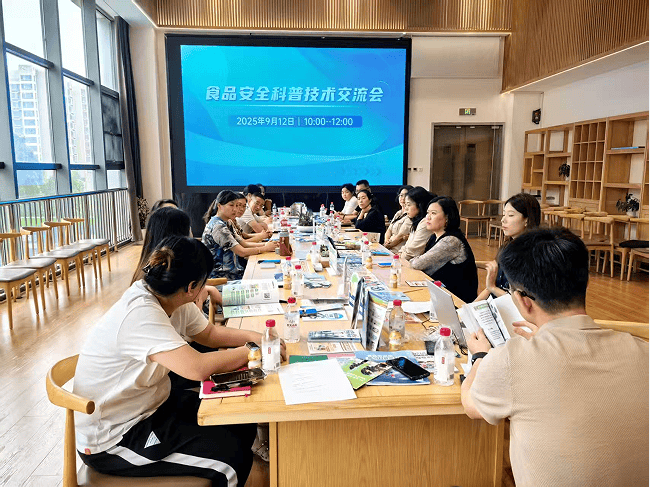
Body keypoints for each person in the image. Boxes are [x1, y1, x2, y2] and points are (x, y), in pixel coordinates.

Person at [73, 235, 286, 485]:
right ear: (192, 287)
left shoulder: (171, 297)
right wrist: (252, 350)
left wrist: (257, 337)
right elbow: (197, 368)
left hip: (152, 407)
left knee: (239, 419)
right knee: (230, 459)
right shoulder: (140, 312)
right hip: (115, 437)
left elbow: (210, 334)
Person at [461, 227, 648, 486]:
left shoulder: (511, 360)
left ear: (523, 301)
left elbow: (471, 405)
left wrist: (480, 356)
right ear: (584, 283)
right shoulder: (643, 351)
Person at [133, 206, 222, 310]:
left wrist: (207, 289)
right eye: (189, 229)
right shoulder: (174, 288)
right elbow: (192, 316)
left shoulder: (146, 274)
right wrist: (200, 298)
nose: (191, 234)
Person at [409, 196, 478, 303]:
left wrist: (414, 260)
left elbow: (418, 264)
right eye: (427, 213)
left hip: (455, 300)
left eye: (433, 213)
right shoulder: (434, 236)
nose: (428, 217)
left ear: (447, 217)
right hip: (440, 293)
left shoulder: (450, 241)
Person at [475, 193, 541, 301]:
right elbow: (489, 287)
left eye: (510, 215)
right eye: (504, 214)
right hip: (496, 303)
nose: (503, 220)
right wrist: (468, 307)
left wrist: (492, 288)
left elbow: (523, 303)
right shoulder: (507, 246)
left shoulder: (533, 256)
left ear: (527, 220)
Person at [203, 191, 278, 280]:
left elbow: (243, 243)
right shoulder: (218, 226)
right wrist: (265, 248)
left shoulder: (227, 222)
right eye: (231, 205)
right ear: (219, 206)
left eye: (236, 206)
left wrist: (268, 245)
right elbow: (241, 252)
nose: (235, 209)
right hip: (223, 278)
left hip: (235, 273)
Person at [398, 186, 435, 260]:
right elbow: (407, 246)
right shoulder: (416, 221)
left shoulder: (425, 223)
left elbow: (412, 253)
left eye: (409, 205)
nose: (406, 208)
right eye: (405, 205)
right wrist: (399, 253)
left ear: (419, 205)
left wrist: (399, 256)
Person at [384, 185, 413, 251]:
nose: (402, 198)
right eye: (401, 195)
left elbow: (400, 236)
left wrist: (388, 245)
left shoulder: (410, 215)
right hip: (388, 247)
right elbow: (389, 230)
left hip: (397, 250)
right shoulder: (398, 213)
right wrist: (386, 240)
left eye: (406, 195)